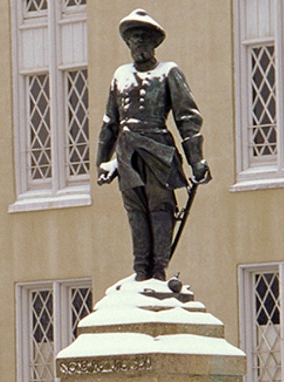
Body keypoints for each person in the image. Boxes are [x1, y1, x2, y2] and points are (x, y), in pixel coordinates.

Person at [97, 9, 210, 282]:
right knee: (135, 211)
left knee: (160, 209)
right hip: (127, 153)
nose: (138, 45)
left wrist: (196, 161)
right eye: (133, 39)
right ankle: (140, 269)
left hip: (159, 150)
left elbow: (187, 117)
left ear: (154, 43)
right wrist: (103, 161)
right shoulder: (120, 75)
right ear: (128, 44)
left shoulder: (168, 72)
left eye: (143, 39)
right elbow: (110, 121)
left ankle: (158, 269)